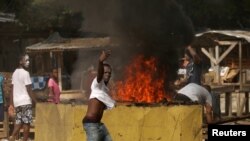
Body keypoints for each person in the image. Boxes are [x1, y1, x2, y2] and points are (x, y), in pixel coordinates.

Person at [82, 50, 115, 141]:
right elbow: (99, 74)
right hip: (91, 125)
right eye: (105, 72)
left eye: (109, 73)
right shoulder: (97, 84)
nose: (108, 74)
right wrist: (100, 61)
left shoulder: (104, 91)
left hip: (99, 125)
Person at [9, 54, 37, 141]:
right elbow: (29, 89)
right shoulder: (26, 73)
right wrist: (36, 101)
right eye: (26, 60)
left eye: (28, 60)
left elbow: (12, 89)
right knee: (26, 124)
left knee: (19, 122)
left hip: (17, 102)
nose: (28, 62)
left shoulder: (14, 73)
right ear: (20, 62)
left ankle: (12, 136)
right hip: (25, 101)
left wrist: (11, 103)